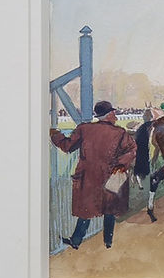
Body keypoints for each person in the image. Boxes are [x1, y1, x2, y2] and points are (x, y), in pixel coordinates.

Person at [49, 100, 137, 250]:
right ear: (108, 115)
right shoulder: (120, 132)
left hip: (89, 175)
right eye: (113, 113)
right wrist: (120, 164)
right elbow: (132, 150)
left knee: (86, 209)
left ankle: (76, 241)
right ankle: (108, 242)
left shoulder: (84, 129)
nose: (115, 115)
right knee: (109, 208)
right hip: (111, 174)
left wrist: (55, 135)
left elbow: (67, 146)